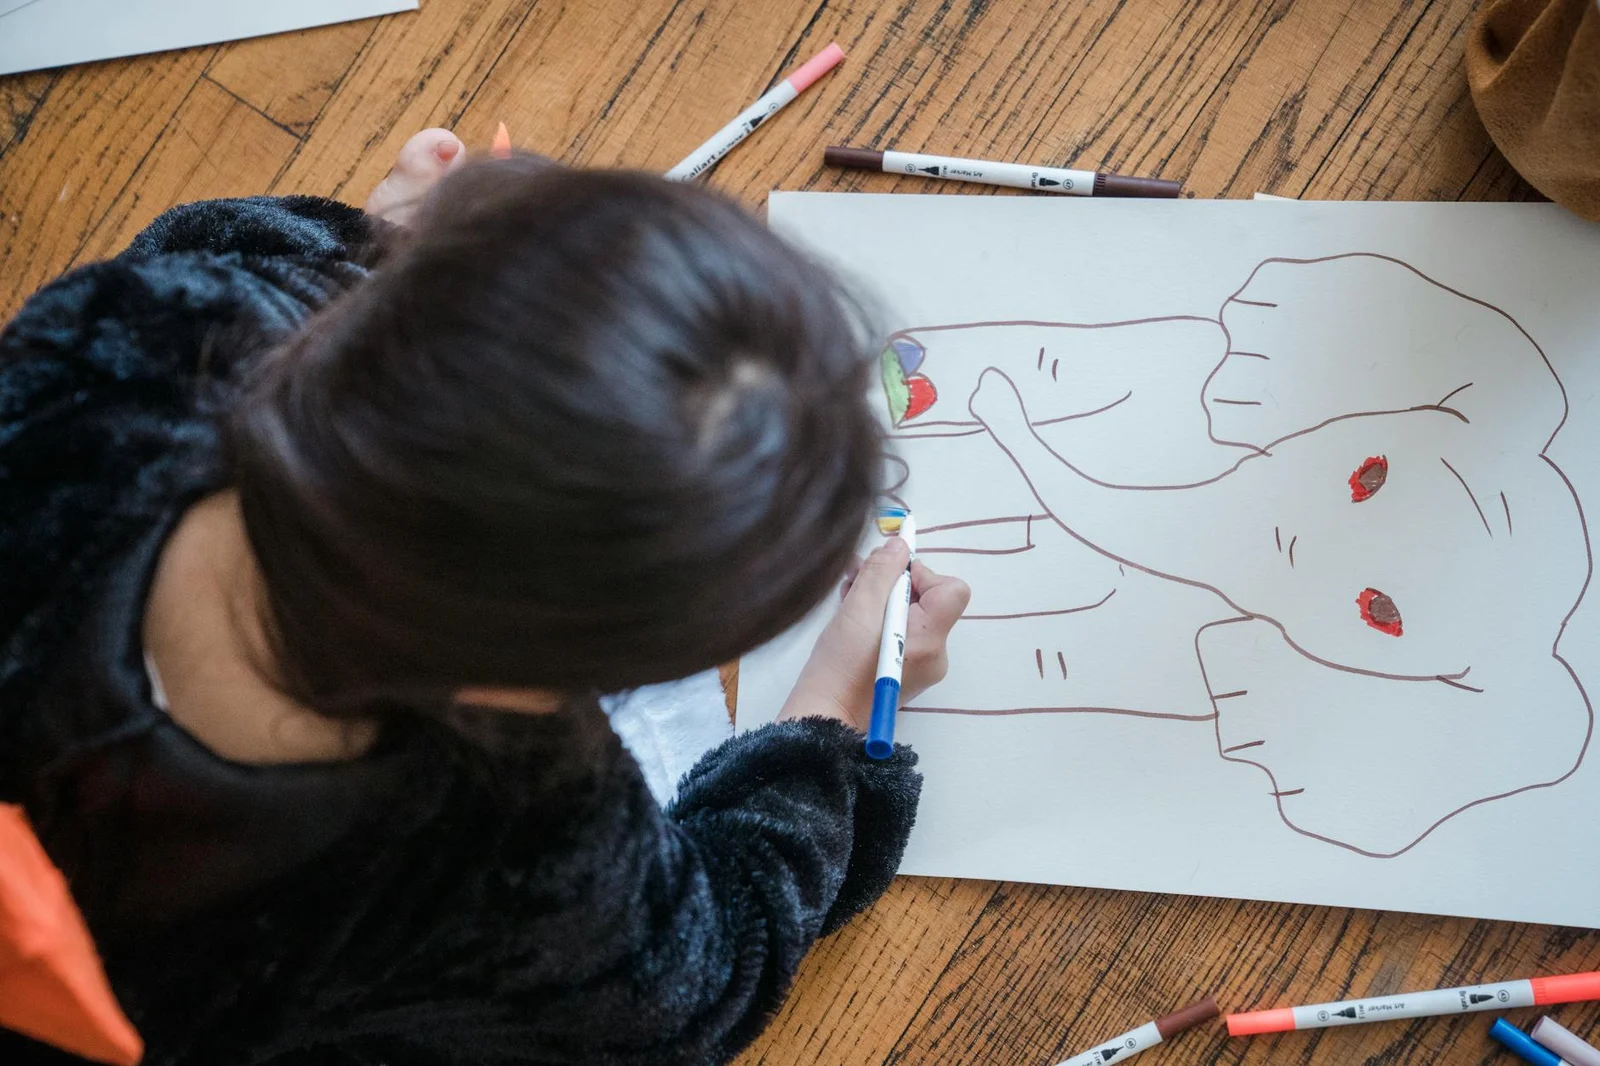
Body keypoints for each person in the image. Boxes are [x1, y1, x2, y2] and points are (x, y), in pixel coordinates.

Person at [0, 128, 971, 1065]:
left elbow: (239, 258)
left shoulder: (128, 339)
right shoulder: (508, 849)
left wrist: (382, 250)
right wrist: (837, 711)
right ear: (553, 688)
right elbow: (701, 986)